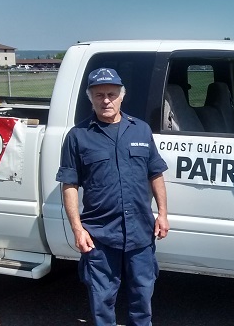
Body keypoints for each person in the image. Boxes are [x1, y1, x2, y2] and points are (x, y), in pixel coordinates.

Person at [56, 68, 169, 326]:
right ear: (90, 98)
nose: (105, 100)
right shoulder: (78, 136)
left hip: (141, 232)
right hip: (100, 235)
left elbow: (156, 174)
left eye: (111, 94)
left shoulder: (140, 130)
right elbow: (69, 185)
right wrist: (77, 229)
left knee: (142, 300)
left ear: (121, 96)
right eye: (99, 95)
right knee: (102, 302)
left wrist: (162, 214)